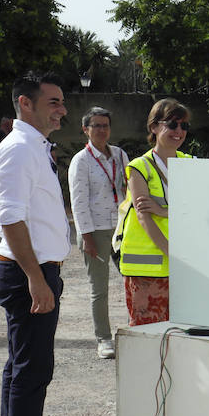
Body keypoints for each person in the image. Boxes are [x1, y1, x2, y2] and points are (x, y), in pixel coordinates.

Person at [0, 73, 83, 416]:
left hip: (35, 272)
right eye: (54, 102)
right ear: (25, 104)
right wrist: (34, 279)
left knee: (21, 369)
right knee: (31, 372)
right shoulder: (19, 149)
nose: (62, 109)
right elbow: (10, 217)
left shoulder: (33, 147)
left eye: (62, 102)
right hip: (28, 273)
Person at [119, 99, 193, 326]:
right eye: (172, 124)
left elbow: (200, 210)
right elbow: (143, 217)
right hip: (147, 268)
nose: (178, 131)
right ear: (153, 127)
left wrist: (163, 211)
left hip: (185, 264)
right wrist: (172, 253)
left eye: (184, 126)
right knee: (148, 334)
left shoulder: (191, 163)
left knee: (181, 332)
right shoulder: (139, 167)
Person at [67, 107, 129, 359]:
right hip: (97, 231)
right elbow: (78, 202)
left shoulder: (119, 155)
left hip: (123, 228)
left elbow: (129, 185)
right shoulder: (81, 161)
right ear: (86, 129)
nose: (102, 130)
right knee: (99, 289)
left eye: (105, 125)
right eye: (96, 126)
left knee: (134, 281)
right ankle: (103, 339)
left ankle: (137, 330)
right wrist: (87, 237)